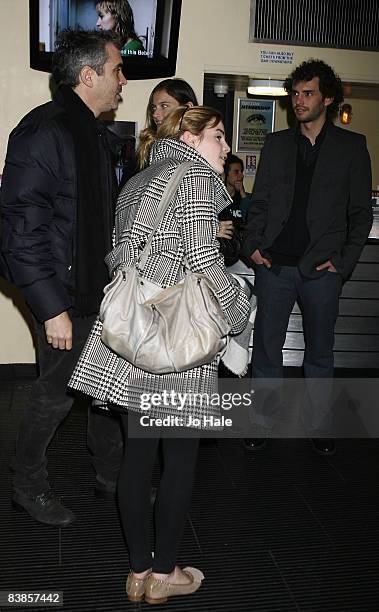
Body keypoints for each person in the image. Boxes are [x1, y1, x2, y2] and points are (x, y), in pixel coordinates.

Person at [69, 106, 251, 603]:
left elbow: (116, 252)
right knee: (180, 461)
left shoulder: (139, 178)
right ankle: (165, 576)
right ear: (190, 139)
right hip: (176, 341)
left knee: (137, 458)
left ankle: (136, 572)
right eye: (218, 136)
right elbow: (203, 258)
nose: (226, 148)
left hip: (134, 337)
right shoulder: (192, 177)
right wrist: (239, 310)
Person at [0, 29, 128, 526]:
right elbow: (20, 230)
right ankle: (26, 488)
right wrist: (52, 308)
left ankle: (111, 478)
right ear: (88, 74)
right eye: (117, 70)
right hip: (61, 297)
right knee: (52, 398)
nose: (123, 81)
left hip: (93, 292)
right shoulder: (44, 132)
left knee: (107, 390)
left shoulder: (92, 132)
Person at [242, 59, 372, 454]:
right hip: (274, 265)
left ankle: (319, 425)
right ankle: (262, 423)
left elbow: (360, 214)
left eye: (308, 93)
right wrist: (253, 247)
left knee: (319, 352)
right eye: (295, 94)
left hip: (322, 270)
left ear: (327, 98)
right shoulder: (276, 144)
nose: (299, 101)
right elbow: (259, 202)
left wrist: (343, 263)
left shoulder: (352, 147)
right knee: (266, 351)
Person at [137, 78, 198, 170]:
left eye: (164, 106)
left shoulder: (202, 146)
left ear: (187, 107)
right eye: (154, 108)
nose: (155, 114)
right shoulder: (146, 150)